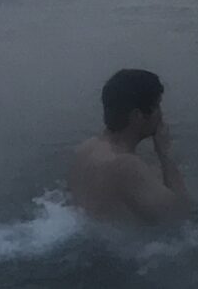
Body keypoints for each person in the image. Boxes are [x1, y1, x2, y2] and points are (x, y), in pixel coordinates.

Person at [70, 68, 190, 227]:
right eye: (157, 107)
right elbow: (179, 217)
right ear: (137, 116)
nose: (161, 115)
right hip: (108, 250)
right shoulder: (125, 165)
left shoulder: (86, 148)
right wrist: (165, 154)